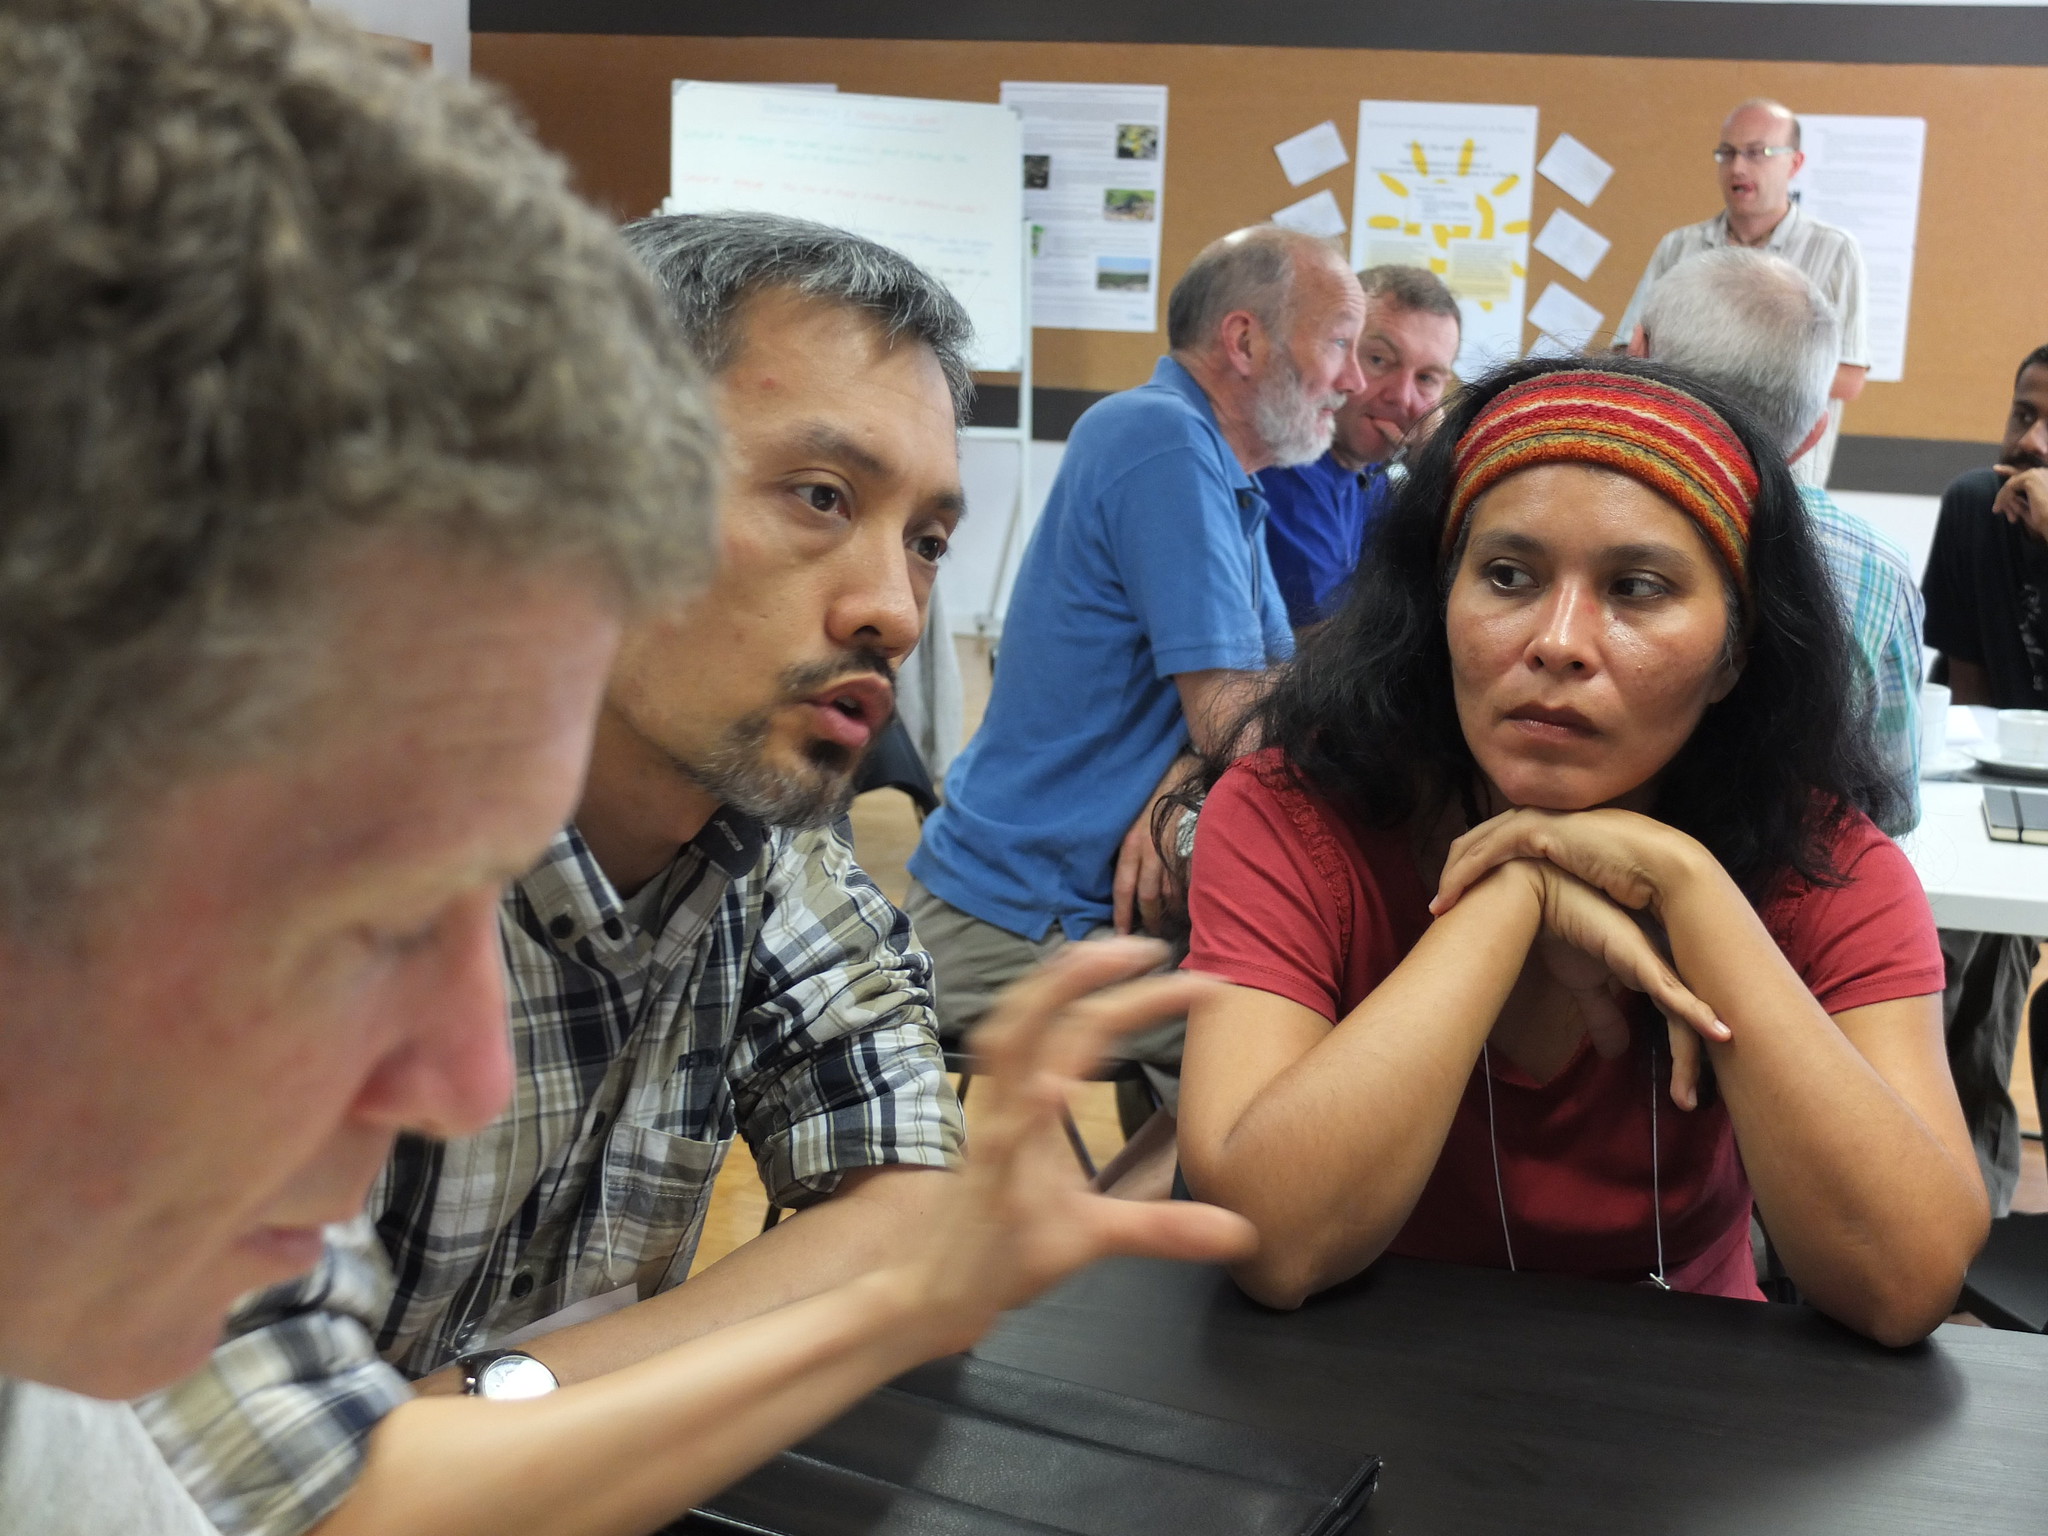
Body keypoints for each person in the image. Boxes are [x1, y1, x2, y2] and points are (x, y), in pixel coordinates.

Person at [1, 7, 1255, 1533]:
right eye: (815, 494)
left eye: (926, 537)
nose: (898, 606)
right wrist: (837, 1317)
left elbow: (906, 1208)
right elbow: (317, 1506)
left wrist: (506, 1402)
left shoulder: (760, 840)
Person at [1175, 356, 1987, 1348]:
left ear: (1732, 652)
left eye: (1636, 589)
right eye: (1507, 576)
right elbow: (1271, 1245)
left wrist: (1686, 886)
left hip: (1694, 1410)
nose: (1558, 641)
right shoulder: (1294, 818)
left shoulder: (1823, 862)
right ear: (1439, 607)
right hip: (1362, 1385)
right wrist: (1510, 893)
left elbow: (1907, 1281)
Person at [908, 225, 1367, 1093]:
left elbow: (1250, 706)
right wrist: (1216, 745)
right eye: (1341, 343)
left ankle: (1143, 1227)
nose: (1353, 380)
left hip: (1079, 910)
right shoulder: (1160, 438)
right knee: (1318, 1044)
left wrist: (1183, 773)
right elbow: (1241, 719)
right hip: (1021, 921)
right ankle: (1123, 1236)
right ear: (1244, 339)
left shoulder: (1223, 472)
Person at [1630, 247, 1922, 831]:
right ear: (1815, 430)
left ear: (1637, 354)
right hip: (1780, 909)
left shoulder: (1547, 511)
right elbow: (1889, 806)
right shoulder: (1879, 571)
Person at [1919, 342, 2048, 1215]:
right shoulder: (1974, 506)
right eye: (2022, 413)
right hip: (1999, 784)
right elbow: (1962, 696)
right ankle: (1949, 1191)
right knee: (1949, 950)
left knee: (1994, 961)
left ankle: (1974, 1192)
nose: (2032, 441)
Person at [1613, 99, 1869, 488]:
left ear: (1795, 164)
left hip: (1785, 482)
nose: (1738, 167)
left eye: (1758, 153)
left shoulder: (1835, 251)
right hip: (1678, 467)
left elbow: (1849, 377)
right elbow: (1628, 351)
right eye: (1727, 153)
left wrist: (1721, 365)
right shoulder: (1679, 246)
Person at [1256, 264, 1461, 628]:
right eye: (1379, 360)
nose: (1401, 397)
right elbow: (1318, 645)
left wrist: (1435, 473)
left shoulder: (1374, 473)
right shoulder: (1282, 464)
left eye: (1427, 378)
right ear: (1336, 350)